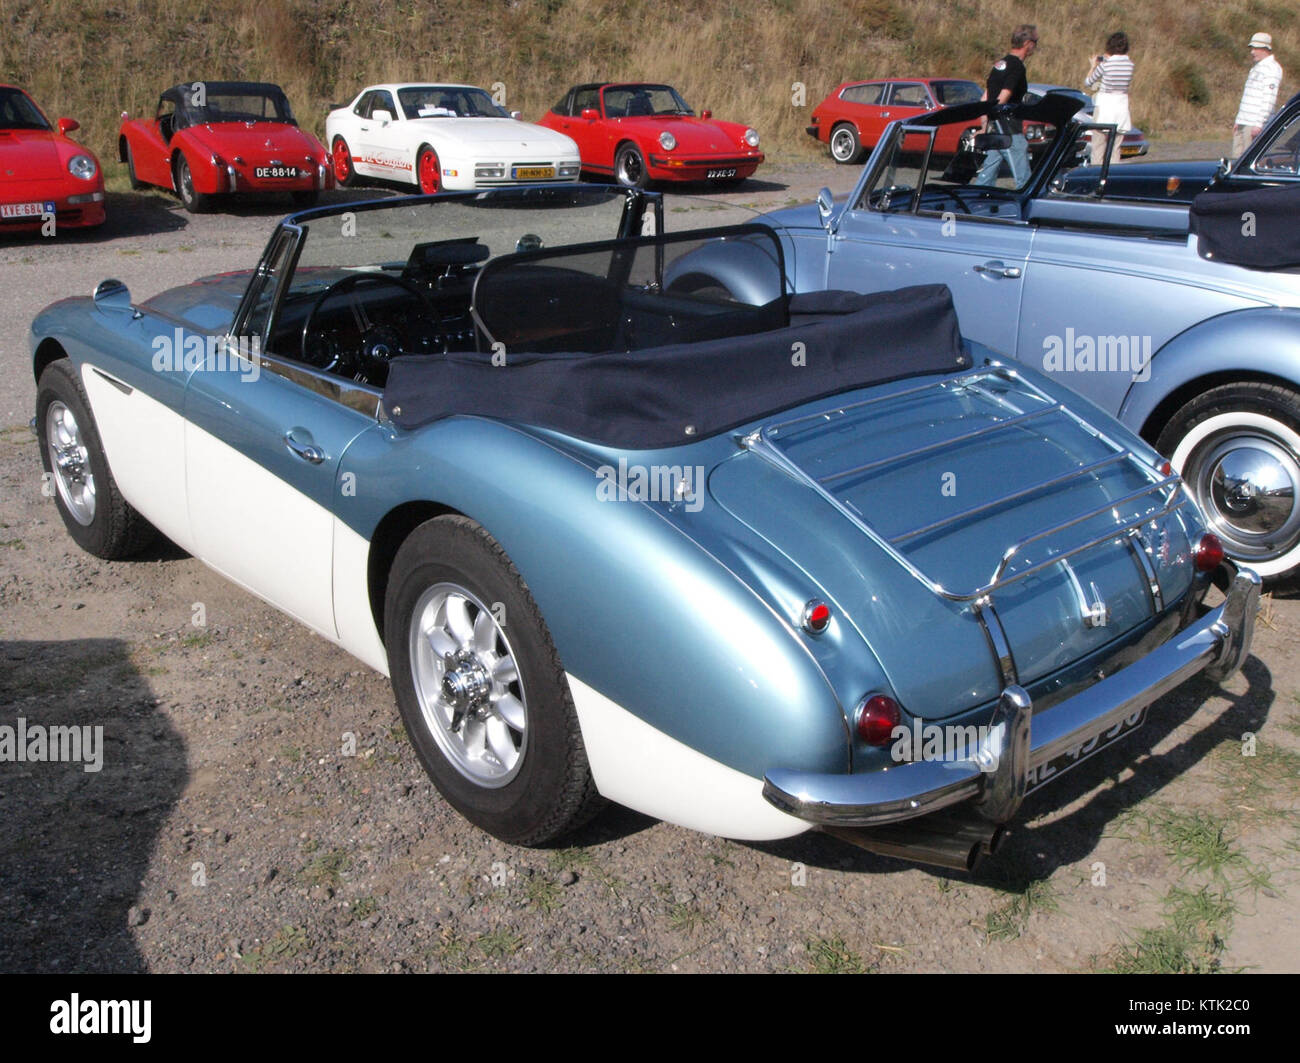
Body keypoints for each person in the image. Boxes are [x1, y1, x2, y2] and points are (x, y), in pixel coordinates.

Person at [973, 24, 1038, 186]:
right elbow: (1004, 97)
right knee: (1023, 179)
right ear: (1027, 44)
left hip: (994, 128)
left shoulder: (999, 65)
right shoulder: (1017, 67)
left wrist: (984, 126)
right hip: (1009, 129)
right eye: (1035, 42)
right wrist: (996, 116)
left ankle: (977, 203)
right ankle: (1030, 207)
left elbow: (985, 98)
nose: (1036, 47)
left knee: (986, 175)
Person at [1085, 31, 1134, 166]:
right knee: (1115, 148)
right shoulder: (1130, 65)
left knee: (1098, 146)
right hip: (1121, 108)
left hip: (1104, 107)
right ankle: (1113, 175)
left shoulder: (1105, 65)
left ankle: (1095, 173)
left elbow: (1088, 82)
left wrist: (1093, 66)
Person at [1234, 32, 1284, 158]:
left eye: (1256, 48)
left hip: (1254, 124)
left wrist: (1259, 124)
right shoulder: (1256, 67)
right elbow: (1248, 95)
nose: (1252, 52)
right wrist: (1238, 120)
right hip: (1244, 121)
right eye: (1252, 48)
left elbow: (1269, 99)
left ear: (1266, 49)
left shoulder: (1272, 69)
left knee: (1248, 161)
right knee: (1236, 160)